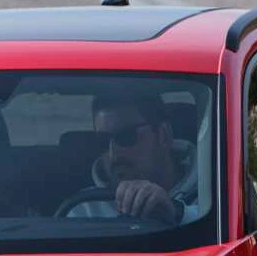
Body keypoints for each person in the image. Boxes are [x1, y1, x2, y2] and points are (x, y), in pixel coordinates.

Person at [77, 93, 199, 224]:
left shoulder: (210, 194)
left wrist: (179, 213)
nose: (113, 154)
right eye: (103, 141)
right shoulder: (85, 208)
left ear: (164, 135)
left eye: (126, 136)